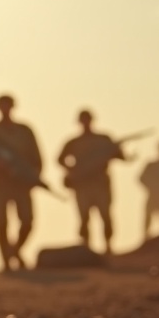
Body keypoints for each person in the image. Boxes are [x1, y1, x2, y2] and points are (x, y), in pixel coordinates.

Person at [0, 94, 44, 272]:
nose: (5, 109)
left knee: (27, 221)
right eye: (2, 106)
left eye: (8, 106)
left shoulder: (25, 131)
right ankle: (6, 260)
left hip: (20, 184)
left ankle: (14, 251)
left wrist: (31, 176)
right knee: (1, 223)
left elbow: (37, 160)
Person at [58, 109, 130, 255]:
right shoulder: (74, 142)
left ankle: (108, 246)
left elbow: (120, 156)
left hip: (101, 183)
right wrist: (73, 170)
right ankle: (86, 247)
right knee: (84, 217)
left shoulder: (104, 139)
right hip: (82, 185)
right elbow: (60, 159)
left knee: (105, 215)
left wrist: (116, 150)